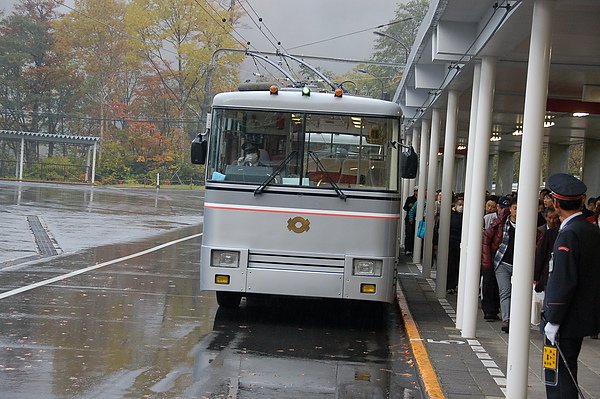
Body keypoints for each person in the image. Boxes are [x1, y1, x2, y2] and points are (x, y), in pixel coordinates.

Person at [543, 173, 600, 399]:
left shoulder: (568, 234)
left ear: (556, 203)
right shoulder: (591, 230)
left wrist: (553, 318)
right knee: (568, 369)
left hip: (564, 318)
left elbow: (563, 280)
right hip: (581, 314)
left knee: (557, 375)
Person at [446, 195, 463, 294]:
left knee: (458, 265)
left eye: (463, 205)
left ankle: (456, 284)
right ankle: (450, 285)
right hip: (451, 242)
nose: (461, 207)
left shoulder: (466, 215)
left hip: (460, 243)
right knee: (451, 264)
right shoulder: (450, 214)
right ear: (455, 204)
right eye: (460, 205)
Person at [403, 187, 418, 256]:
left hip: (417, 219)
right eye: (416, 191)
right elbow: (405, 208)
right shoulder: (410, 199)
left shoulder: (423, 199)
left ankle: (414, 249)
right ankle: (408, 249)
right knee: (409, 234)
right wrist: (409, 206)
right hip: (409, 220)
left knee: (416, 234)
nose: (417, 192)